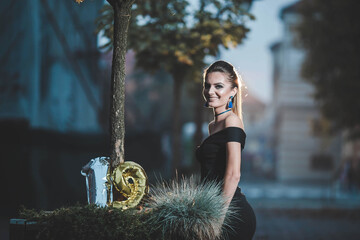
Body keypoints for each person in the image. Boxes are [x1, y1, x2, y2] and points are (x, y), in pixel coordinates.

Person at [196, 60, 256, 240]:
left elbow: (233, 174)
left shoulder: (232, 121)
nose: (210, 91)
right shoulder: (212, 126)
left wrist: (217, 220)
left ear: (233, 91)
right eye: (208, 85)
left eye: (218, 86)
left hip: (230, 214)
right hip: (213, 209)